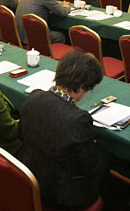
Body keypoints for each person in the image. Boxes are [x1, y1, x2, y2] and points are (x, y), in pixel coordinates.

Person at [18, 50, 109, 209]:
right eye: (88, 90)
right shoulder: (78, 119)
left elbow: (20, 134)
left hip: (29, 174)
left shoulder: (34, 97)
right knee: (105, 157)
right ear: (80, 88)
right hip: (61, 193)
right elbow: (90, 167)